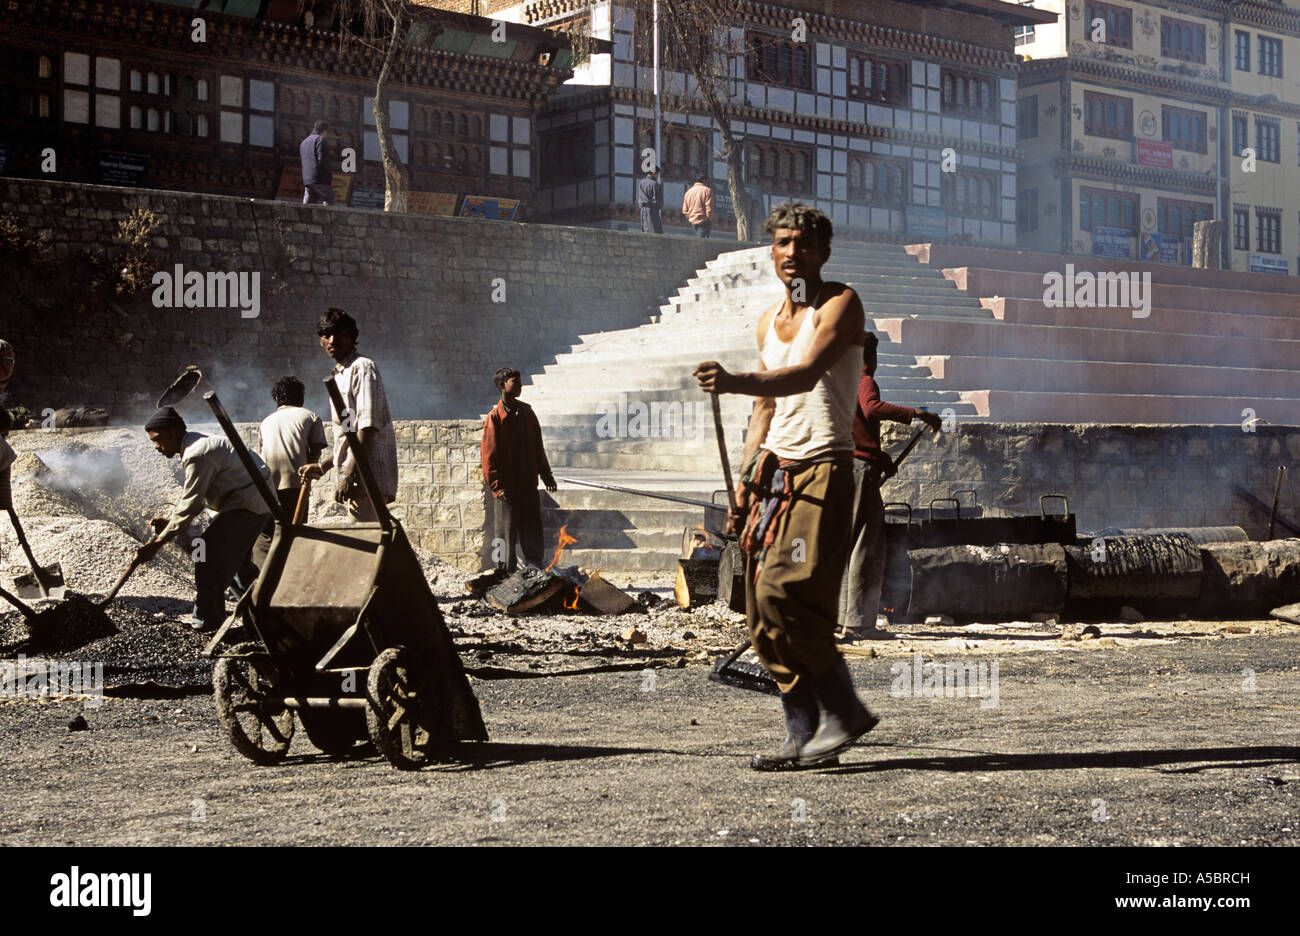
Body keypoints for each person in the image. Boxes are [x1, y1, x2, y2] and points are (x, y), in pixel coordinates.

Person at [694, 201, 878, 771]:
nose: (792, 254)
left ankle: (845, 713)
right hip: (778, 472)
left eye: (803, 244)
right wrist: (746, 481)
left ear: (822, 252)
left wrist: (732, 381)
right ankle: (804, 736)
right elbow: (767, 407)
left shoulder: (840, 304)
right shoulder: (768, 322)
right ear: (771, 251)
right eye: (782, 244)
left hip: (824, 467)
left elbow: (802, 375)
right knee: (757, 610)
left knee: (785, 593)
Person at [837, 334, 941, 634]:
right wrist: (917, 413)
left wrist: (878, 456)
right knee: (865, 546)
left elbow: (855, 428)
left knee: (846, 544)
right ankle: (857, 624)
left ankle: (841, 618)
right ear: (869, 357)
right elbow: (870, 408)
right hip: (858, 472)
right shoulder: (863, 378)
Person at [135, 407, 272, 632]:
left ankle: (206, 623)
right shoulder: (195, 446)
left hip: (247, 503)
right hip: (246, 502)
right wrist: (171, 522)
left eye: (158, 439)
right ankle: (263, 620)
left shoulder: (197, 453)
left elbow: (191, 504)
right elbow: (196, 500)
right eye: (153, 442)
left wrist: (158, 543)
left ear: (174, 431)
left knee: (206, 555)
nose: (156, 447)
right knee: (239, 568)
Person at [300, 308, 398, 522]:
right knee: (372, 546)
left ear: (352, 337)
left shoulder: (362, 367)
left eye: (340, 334)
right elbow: (348, 436)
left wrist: (348, 474)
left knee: (366, 546)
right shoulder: (339, 374)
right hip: (357, 478)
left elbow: (368, 426)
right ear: (320, 340)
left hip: (367, 477)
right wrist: (324, 466)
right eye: (327, 335)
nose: (332, 341)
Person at [481, 367, 557, 572]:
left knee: (532, 532)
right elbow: (489, 457)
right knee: (504, 535)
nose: (520, 386)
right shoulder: (494, 418)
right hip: (507, 489)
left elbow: (537, 445)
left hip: (527, 484)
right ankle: (502, 574)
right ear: (501, 386)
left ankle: (535, 572)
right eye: (515, 382)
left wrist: (546, 473)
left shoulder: (527, 412)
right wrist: (497, 488)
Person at [259, 376, 327, 519]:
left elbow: (261, 453)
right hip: (296, 486)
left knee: (271, 533)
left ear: (276, 398)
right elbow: (316, 449)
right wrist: (308, 474)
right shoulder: (311, 416)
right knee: (296, 532)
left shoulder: (265, 422)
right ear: (300, 396)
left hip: (267, 487)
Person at [299, 120, 335, 206]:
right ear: (324, 131)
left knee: (309, 204)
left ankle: (304, 218)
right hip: (320, 178)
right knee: (329, 198)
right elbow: (322, 160)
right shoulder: (320, 140)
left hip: (307, 179)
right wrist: (330, 171)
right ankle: (328, 219)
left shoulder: (304, 142)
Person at [637, 167, 663, 234]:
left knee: (645, 231)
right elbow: (658, 201)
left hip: (642, 210)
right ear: (654, 173)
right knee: (656, 232)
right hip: (652, 211)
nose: (657, 176)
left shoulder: (641, 183)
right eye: (657, 174)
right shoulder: (655, 184)